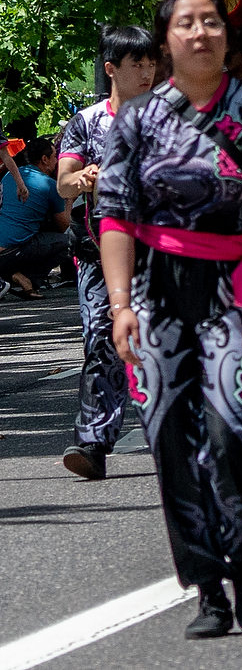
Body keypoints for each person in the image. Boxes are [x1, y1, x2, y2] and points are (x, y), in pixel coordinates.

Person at [96, 0, 242, 639]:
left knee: (233, 427)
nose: (202, 33)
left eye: (212, 22)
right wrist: (121, 304)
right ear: (166, 43)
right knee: (169, 437)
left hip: (233, 284)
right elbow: (115, 216)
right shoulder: (136, 119)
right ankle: (211, 587)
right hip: (157, 288)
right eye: (188, 24)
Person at [54, 25, 160, 480]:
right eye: (136, 64)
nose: (146, 72)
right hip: (99, 254)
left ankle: (179, 439)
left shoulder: (171, 117)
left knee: (164, 343)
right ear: (111, 69)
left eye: (151, 63)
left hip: (162, 250)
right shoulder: (86, 123)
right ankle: (93, 442)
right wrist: (83, 180)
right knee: (103, 340)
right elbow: (63, 181)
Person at [0, 138, 72, 298]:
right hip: (11, 253)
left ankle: (12, 275)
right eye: (54, 156)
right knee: (69, 242)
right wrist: (69, 199)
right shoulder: (49, 184)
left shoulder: (10, 176)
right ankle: (29, 281)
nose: (56, 161)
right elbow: (63, 226)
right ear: (44, 159)